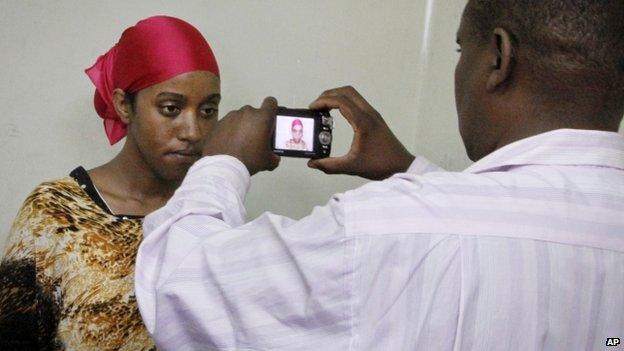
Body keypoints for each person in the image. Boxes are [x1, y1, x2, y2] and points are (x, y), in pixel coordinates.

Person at [135, 1, 624, 350]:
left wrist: (224, 163)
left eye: (460, 52)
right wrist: (410, 171)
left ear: (497, 57)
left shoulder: (381, 231)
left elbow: (183, 292)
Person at [0, 16, 220, 350]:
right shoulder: (55, 213)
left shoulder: (204, 210)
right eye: (171, 108)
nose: (192, 131)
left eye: (207, 111)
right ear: (123, 105)